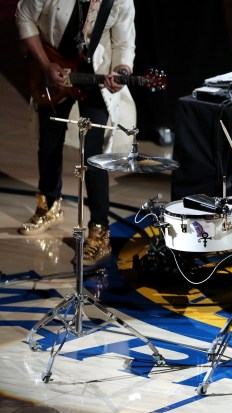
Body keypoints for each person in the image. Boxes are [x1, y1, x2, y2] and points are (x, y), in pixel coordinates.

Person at [15, 0, 137, 266]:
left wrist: (122, 69)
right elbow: (23, 15)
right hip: (52, 71)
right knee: (48, 142)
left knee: (94, 157)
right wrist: (45, 64)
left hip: (94, 77)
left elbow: (125, 41)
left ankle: (99, 231)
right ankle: (48, 205)